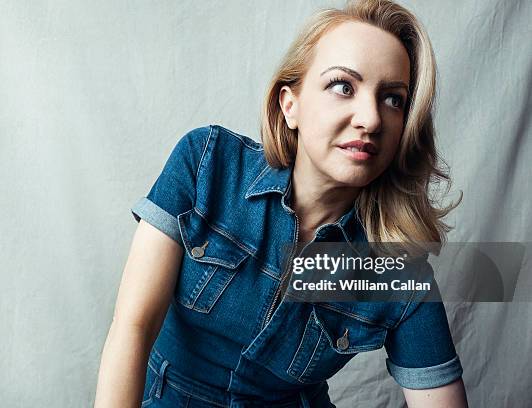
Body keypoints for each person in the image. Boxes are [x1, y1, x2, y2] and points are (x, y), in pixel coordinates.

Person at [94, 0, 469, 406]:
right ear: (290, 105)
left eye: (393, 99)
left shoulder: (399, 272)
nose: (371, 119)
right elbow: (132, 327)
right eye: (343, 86)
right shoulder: (206, 163)